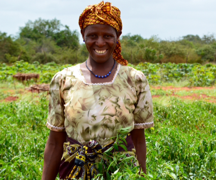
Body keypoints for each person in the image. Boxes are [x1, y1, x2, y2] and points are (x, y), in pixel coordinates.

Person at [41, 2, 154, 179]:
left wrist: (143, 176)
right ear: (83, 36)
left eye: (107, 36)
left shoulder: (135, 79)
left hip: (121, 172)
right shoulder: (63, 79)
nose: (100, 42)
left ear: (117, 37)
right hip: (75, 170)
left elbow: (138, 139)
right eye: (93, 35)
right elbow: (55, 142)